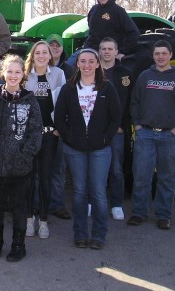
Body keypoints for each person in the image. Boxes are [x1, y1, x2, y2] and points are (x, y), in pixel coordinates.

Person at [54, 48, 121, 250]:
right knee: (79, 192)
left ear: (97, 64)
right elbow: (59, 118)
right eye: (83, 61)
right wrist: (69, 138)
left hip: (100, 150)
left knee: (99, 193)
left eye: (91, 61)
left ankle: (99, 235)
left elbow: (115, 117)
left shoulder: (107, 88)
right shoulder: (68, 89)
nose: (87, 65)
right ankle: (80, 234)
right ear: (78, 64)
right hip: (75, 150)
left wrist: (104, 138)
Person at [0, 55, 43, 262]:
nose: (13, 76)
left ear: (22, 74)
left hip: (20, 167)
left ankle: (18, 245)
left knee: (19, 207)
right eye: (9, 71)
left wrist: (26, 156)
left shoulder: (29, 100)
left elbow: (35, 131)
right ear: (2, 73)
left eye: (17, 72)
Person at [127, 40, 175, 230]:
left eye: (164, 53)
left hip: (169, 136)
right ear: (153, 55)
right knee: (141, 176)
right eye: (157, 54)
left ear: (170, 55)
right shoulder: (145, 77)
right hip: (146, 134)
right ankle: (139, 213)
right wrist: (138, 125)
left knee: (166, 178)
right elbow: (135, 102)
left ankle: (164, 215)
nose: (160, 57)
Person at [23, 40, 66, 239]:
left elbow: (64, 103)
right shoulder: (24, 76)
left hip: (50, 134)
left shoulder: (58, 74)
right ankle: (29, 218)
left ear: (50, 56)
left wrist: (59, 129)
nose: (41, 56)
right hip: (29, 135)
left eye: (45, 52)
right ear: (33, 55)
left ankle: (44, 220)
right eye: (37, 52)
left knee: (46, 178)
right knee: (29, 178)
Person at [98, 37, 133, 221]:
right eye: (103, 48)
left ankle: (117, 204)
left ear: (116, 51)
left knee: (116, 169)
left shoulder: (125, 73)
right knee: (96, 169)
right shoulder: (93, 71)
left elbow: (129, 103)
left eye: (110, 48)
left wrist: (122, 126)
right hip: (96, 130)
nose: (106, 52)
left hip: (117, 130)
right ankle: (94, 203)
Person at [45, 33, 73, 221]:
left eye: (58, 45)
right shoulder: (34, 69)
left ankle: (57, 204)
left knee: (58, 168)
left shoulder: (69, 71)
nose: (55, 48)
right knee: (38, 169)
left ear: (62, 49)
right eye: (51, 45)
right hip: (40, 128)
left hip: (60, 127)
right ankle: (37, 203)